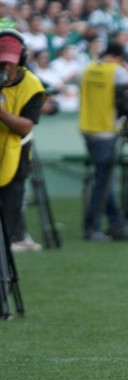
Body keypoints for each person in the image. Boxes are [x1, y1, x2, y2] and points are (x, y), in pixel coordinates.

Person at [79, 41, 128, 241]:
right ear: (119, 57)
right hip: (106, 130)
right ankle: (92, 227)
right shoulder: (116, 71)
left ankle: (113, 219)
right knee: (102, 183)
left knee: (103, 179)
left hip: (88, 128)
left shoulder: (88, 68)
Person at [0, 29, 45, 252]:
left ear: (21, 60)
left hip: (15, 159)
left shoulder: (32, 86)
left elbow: (26, 125)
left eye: (9, 62)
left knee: (7, 228)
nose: (5, 68)